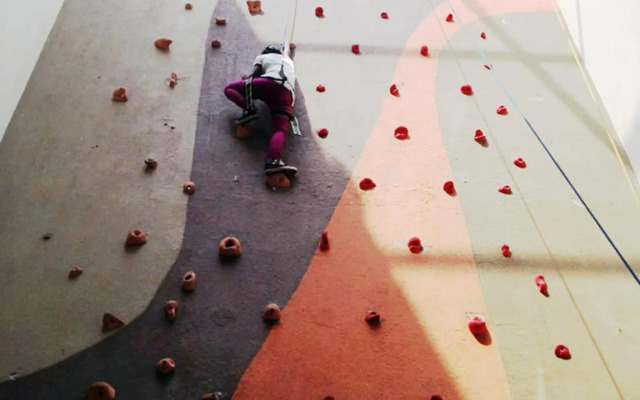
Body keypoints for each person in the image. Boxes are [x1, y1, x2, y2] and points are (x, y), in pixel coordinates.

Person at [223, 43, 298, 176]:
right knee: (279, 130)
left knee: (230, 88)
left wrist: (247, 79)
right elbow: (286, 55)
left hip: (267, 83)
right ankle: (273, 160)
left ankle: (248, 108)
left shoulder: (263, 57)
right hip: (286, 94)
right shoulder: (289, 62)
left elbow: (256, 74)